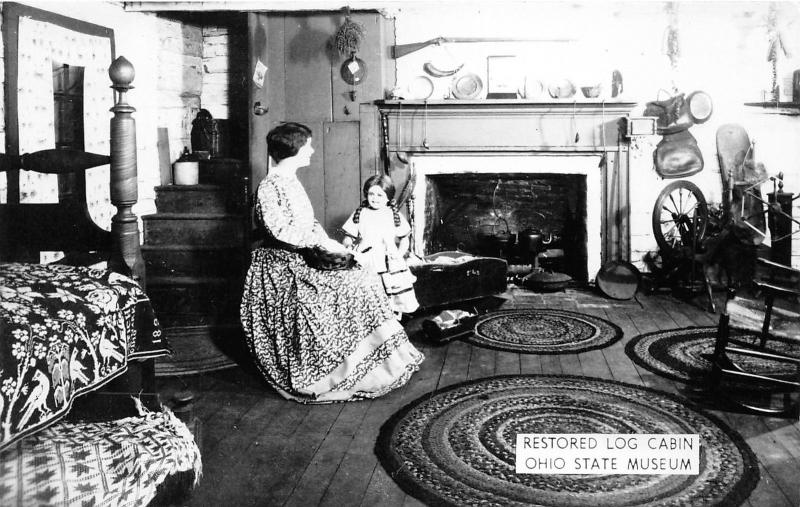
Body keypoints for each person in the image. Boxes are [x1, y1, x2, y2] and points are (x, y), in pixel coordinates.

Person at [240, 122, 423, 403]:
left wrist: (333, 244)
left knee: (364, 274)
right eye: (308, 145)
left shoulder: (290, 180)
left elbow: (309, 225)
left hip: (301, 256)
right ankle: (337, 367)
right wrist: (322, 244)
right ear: (295, 150)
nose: (312, 150)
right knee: (351, 283)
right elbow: (280, 232)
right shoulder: (270, 185)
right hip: (280, 265)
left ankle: (374, 358)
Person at [341, 175, 420, 316]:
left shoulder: (392, 214)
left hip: (388, 260)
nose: (375, 198)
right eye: (371, 194)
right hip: (367, 258)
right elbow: (348, 237)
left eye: (380, 195)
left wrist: (399, 253)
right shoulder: (361, 213)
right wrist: (348, 246)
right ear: (366, 194)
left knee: (390, 294)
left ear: (388, 197)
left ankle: (391, 320)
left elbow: (404, 239)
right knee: (368, 294)